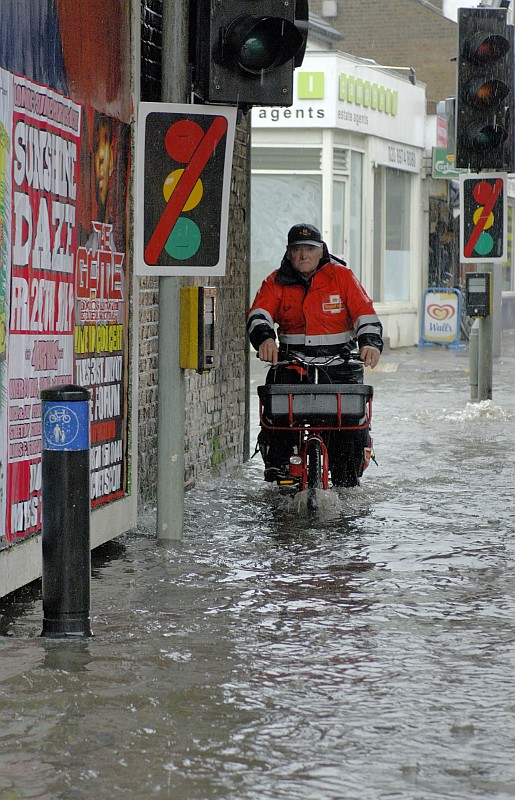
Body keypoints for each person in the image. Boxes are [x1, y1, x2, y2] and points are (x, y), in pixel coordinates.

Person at [247, 223, 383, 487]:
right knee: (277, 422)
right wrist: (264, 338)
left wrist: (370, 343)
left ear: (321, 251)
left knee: (350, 428)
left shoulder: (342, 277)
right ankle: (280, 469)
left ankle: (347, 478)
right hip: (292, 365)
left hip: (340, 366)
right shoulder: (275, 282)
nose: (304, 255)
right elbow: (259, 314)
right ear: (288, 253)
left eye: (310, 249)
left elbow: (365, 314)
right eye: (297, 250)